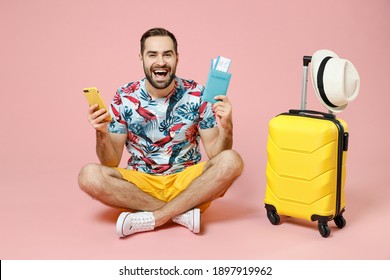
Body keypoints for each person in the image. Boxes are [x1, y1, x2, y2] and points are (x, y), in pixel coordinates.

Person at [78, 27, 243, 238]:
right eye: (152, 54)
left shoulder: (198, 94)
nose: (161, 61)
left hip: (188, 183)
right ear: (141, 59)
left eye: (167, 54)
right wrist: (101, 132)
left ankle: (155, 217)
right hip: (140, 186)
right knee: (88, 175)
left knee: (232, 160)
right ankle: (180, 213)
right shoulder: (124, 97)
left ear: (177, 58)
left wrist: (227, 127)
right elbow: (110, 161)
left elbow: (217, 155)